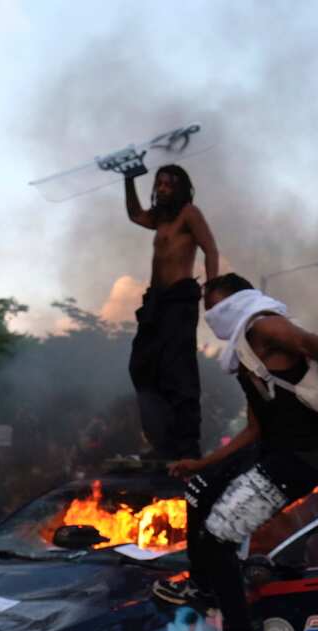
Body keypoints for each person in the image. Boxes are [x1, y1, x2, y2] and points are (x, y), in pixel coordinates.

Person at [152, 273, 318, 631]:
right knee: (198, 491)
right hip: (269, 450)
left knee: (221, 536)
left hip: (296, 461)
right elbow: (254, 429)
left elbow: (305, 340)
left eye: (212, 303)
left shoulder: (260, 323)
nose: (209, 314)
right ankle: (203, 584)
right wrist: (202, 463)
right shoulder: (246, 353)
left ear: (232, 300)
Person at [123, 164, 219, 461]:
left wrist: (212, 291)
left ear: (180, 188)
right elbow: (135, 215)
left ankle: (186, 445)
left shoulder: (189, 213)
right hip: (155, 303)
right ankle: (161, 442)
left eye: (169, 184)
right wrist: (128, 179)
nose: (163, 189)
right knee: (142, 367)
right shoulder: (160, 219)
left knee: (179, 373)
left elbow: (210, 249)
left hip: (179, 299)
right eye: (159, 183)